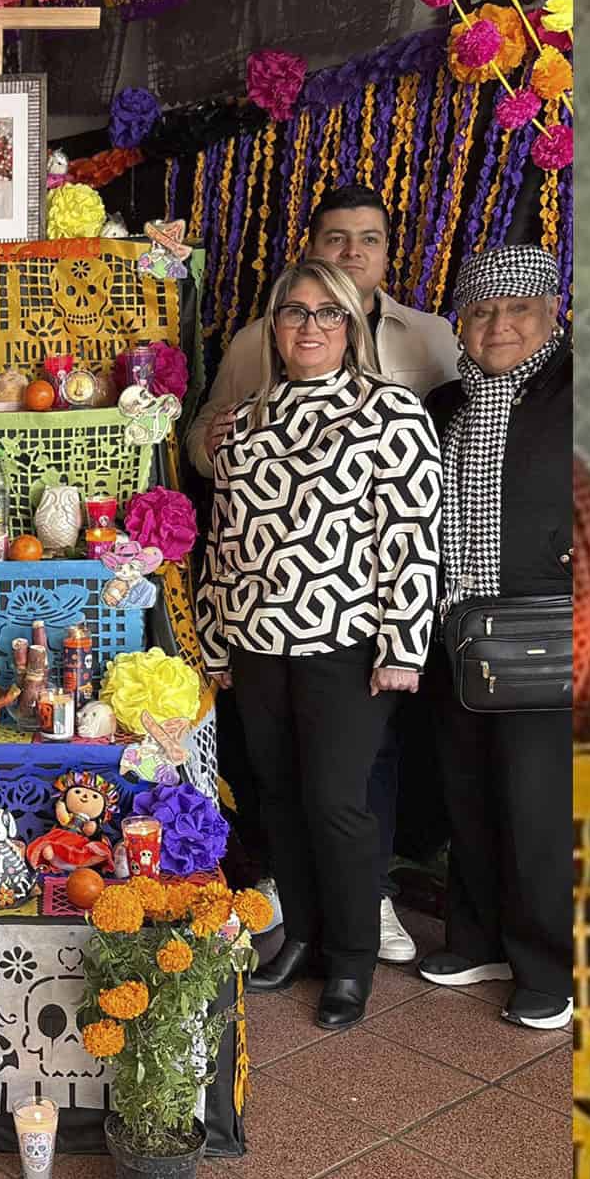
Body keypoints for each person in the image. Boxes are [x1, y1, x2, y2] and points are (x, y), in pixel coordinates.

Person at [191, 184, 460, 966]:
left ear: (349, 324)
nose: (310, 326)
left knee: (338, 804)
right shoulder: (241, 422)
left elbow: (412, 540)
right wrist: (214, 642)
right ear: (274, 327)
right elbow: (225, 541)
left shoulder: (391, 414)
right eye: (295, 313)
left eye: (327, 313)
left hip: (345, 645)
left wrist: (404, 646)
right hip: (255, 643)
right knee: (280, 799)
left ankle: (350, 962)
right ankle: (302, 938)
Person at [417, 245, 574, 1031]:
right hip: (454, 629)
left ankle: (548, 965)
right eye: (481, 310)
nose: (499, 323)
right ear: (462, 324)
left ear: (551, 311)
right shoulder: (444, 402)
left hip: (544, 631)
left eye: (517, 307)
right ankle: (474, 937)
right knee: (467, 791)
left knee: (538, 803)